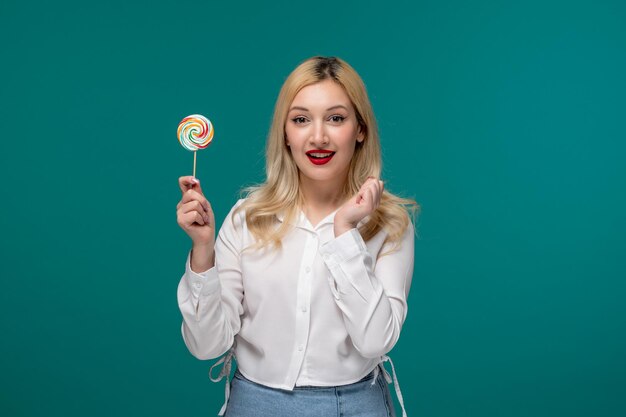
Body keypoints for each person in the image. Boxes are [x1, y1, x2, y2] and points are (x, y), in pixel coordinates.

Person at [176, 56, 418, 417]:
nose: (318, 136)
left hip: (354, 405)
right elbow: (206, 346)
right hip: (254, 403)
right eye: (301, 119)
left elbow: (375, 341)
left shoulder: (391, 224)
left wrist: (344, 233)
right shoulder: (247, 217)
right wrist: (202, 251)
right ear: (286, 134)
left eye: (336, 118)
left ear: (360, 129)